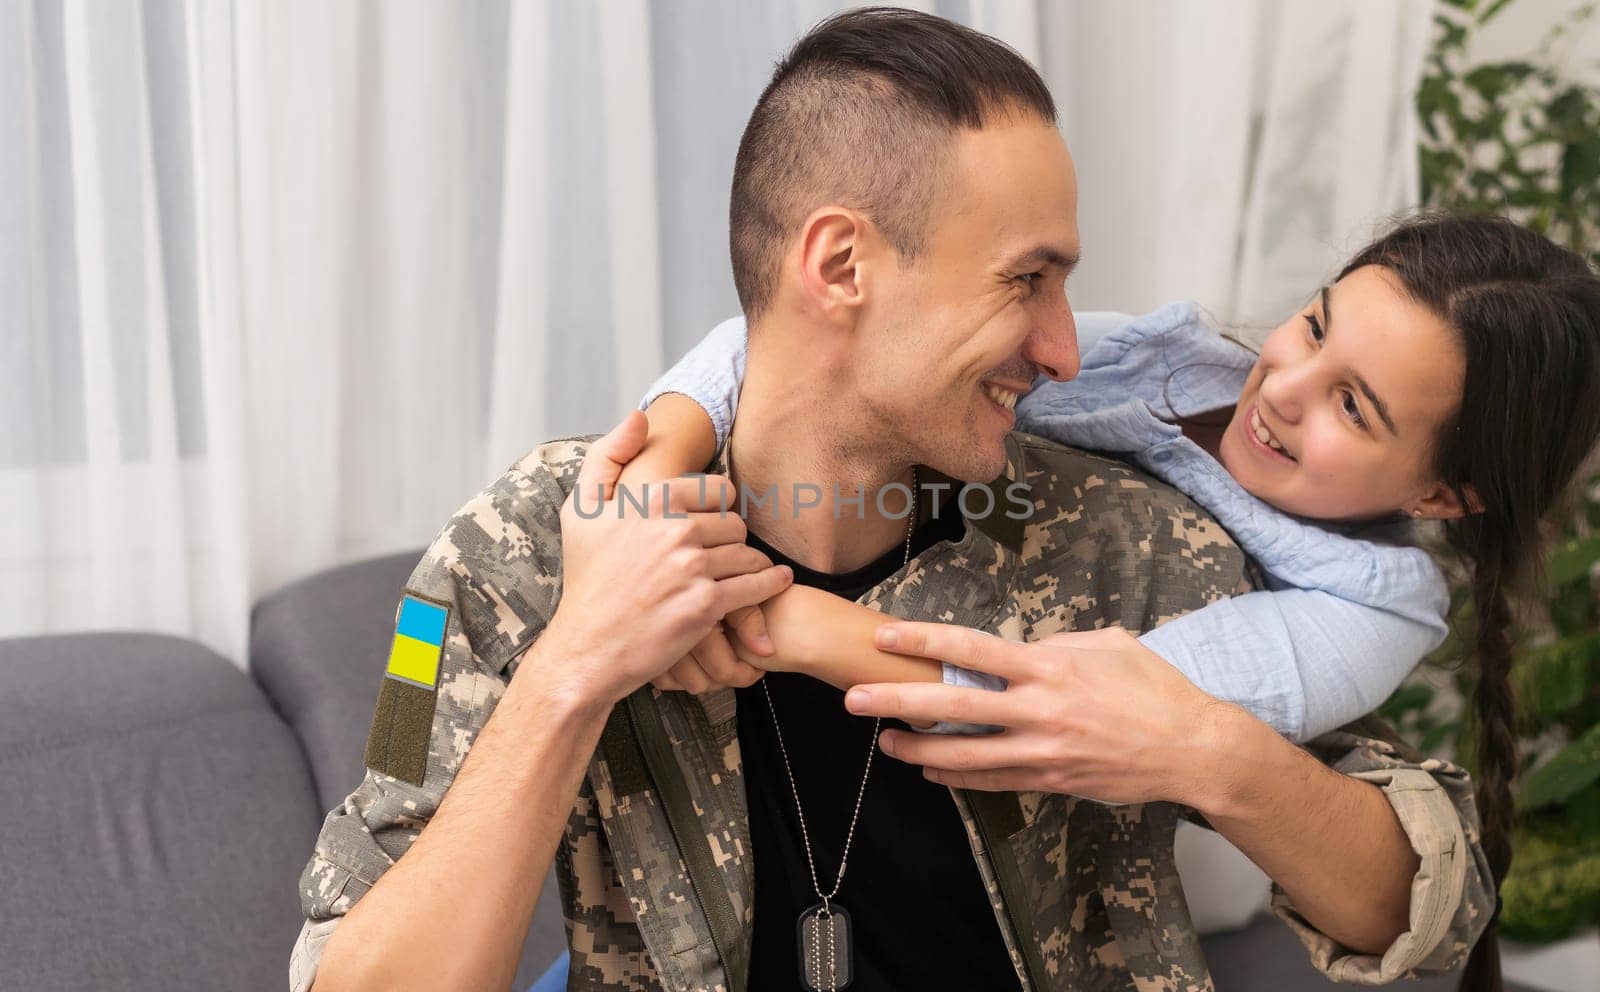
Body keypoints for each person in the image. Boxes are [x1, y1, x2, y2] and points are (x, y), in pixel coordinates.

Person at [290, 9, 1497, 991]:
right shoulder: (509, 556)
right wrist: (573, 669)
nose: (1069, 352)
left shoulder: (1131, 542)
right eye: (1026, 280)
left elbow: (1430, 909)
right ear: (840, 265)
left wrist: (1210, 750)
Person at [626, 212, 1600, 990]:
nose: (1284, 385)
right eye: (1312, 324)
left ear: (1441, 496)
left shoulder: (1362, 615)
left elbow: (1087, 696)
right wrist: (658, 470)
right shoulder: (1163, 356)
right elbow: (795, 345)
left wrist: (772, 616)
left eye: (1354, 405)